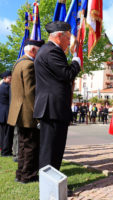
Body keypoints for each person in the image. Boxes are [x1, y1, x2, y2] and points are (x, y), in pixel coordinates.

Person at [33, 21, 81, 171]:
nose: (69, 42)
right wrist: (76, 61)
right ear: (59, 36)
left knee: (55, 148)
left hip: (53, 107)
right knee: (51, 149)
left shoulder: (48, 50)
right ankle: (50, 186)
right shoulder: (52, 51)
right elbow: (66, 74)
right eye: (68, 38)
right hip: (52, 108)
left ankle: (53, 183)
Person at [7, 39, 44, 183]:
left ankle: (21, 174)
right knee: (30, 146)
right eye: (39, 51)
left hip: (18, 111)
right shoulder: (29, 65)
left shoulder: (18, 63)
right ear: (34, 50)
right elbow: (31, 92)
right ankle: (28, 175)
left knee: (23, 145)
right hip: (27, 112)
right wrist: (38, 115)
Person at [0, 71, 14, 156]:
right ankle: (6, 152)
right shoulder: (7, 87)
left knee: (3, 134)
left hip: (2, 113)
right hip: (6, 113)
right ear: (4, 78)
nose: (11, 79)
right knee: (7, 134)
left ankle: (3, 149)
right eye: (9, 78)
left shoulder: (2, 86)